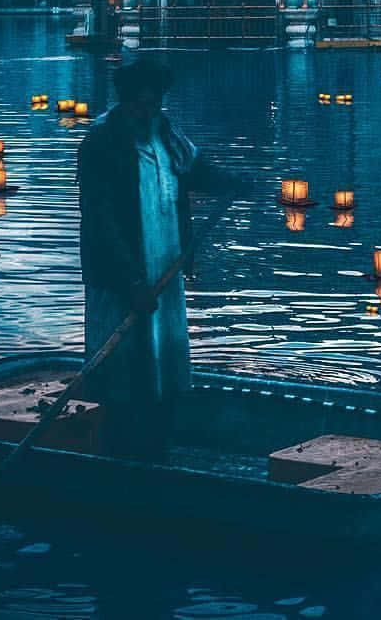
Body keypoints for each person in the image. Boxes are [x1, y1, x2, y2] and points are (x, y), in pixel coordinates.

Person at [77, 54, 222, 460]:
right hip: (120, 277)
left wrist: (235, 183)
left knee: (164, 361)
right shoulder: (103, 142)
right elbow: (101, 220)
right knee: (122, 368)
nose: (149, 111)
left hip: (165, 269)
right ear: (126, 102)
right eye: (141, 104)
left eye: (154, 104)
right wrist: (131, 281)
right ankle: (118, 449)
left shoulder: (165, 134)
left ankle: (159, 442)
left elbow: (196, 170)